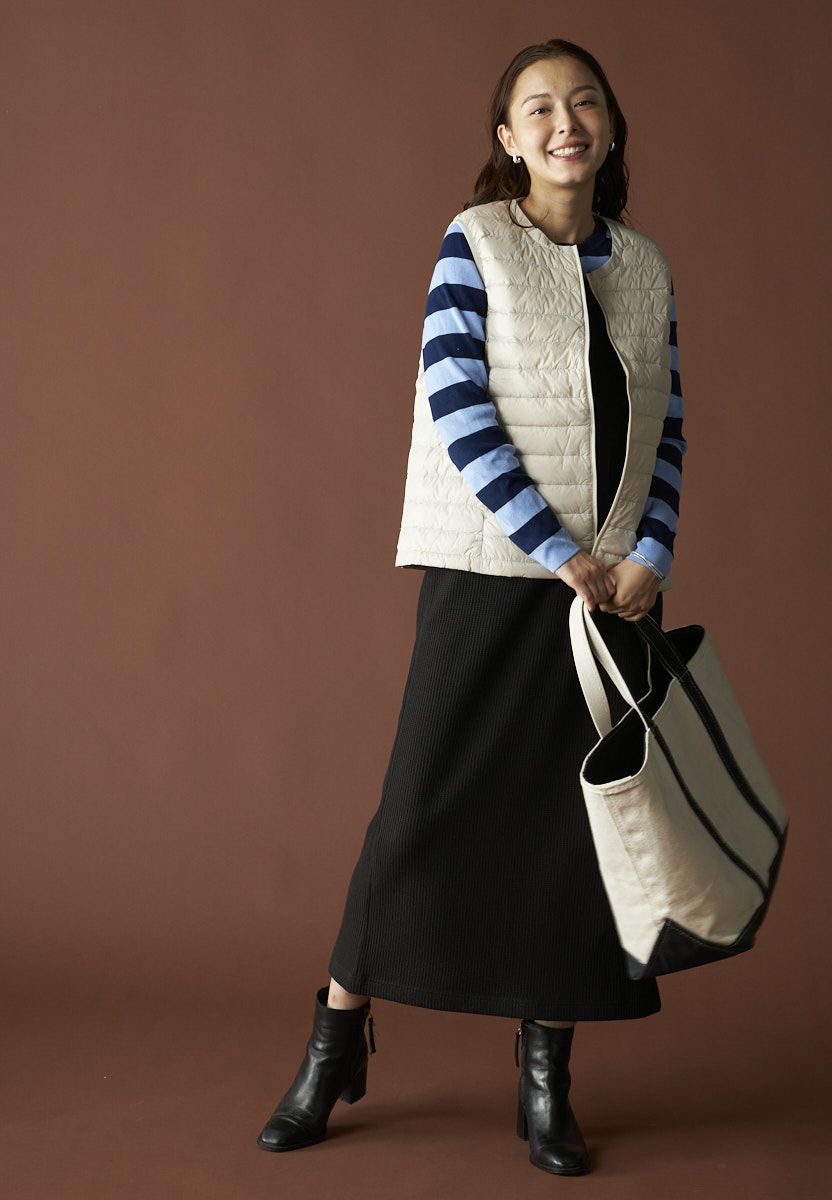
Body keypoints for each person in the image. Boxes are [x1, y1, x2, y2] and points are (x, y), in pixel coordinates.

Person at [257, 37, 687, 1176]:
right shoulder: (477, 242)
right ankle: (335, 1043)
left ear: (610, 128)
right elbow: (456, 400)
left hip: (609, 591)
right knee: (417, 809)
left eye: (584, 102)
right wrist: (556, 550)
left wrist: (650, 550)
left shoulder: (645, 268)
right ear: (508, 139)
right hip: (495, 572)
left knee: (571, 835)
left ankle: (545, 1079)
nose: (564, 122)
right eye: (538, 107)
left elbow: (667, 427)